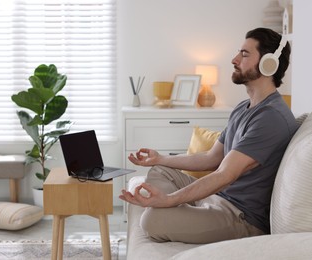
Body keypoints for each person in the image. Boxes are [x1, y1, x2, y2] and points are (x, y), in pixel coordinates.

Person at [119, 27, 299, 244]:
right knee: (161, 170)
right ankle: (183, 210)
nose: (234, 60)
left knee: (152, 220)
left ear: (268, 63)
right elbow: (211, 158)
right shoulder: (243, 108)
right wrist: (160, 158)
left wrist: (169, 200)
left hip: (240, 217)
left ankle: (177, 210)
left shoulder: (271, 118)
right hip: (216, 199)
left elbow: (225, 174)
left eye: (244, 54)